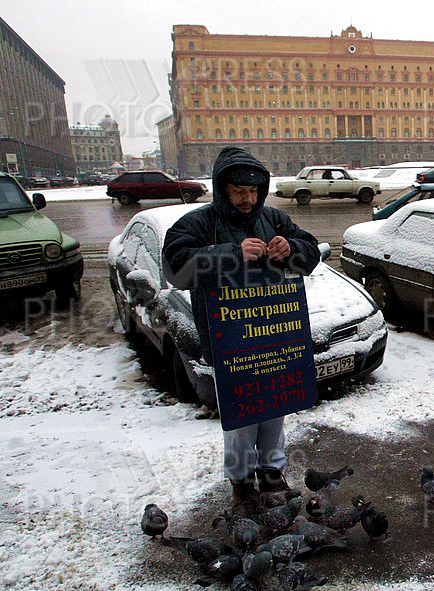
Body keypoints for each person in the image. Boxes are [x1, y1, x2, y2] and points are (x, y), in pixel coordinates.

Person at [162, 146, 320, 514]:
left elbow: (310, 254)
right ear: (222, 189)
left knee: (275, 409)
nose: (247, 199)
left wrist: (291, 247)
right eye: (238, 192)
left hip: (275, 333)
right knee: (241, 417)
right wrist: (231, 252)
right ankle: (242, 483)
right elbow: (175, 268)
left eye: (253, 192)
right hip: (229, 340)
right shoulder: (199, 223)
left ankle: (272, 473)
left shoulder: (274, 219)